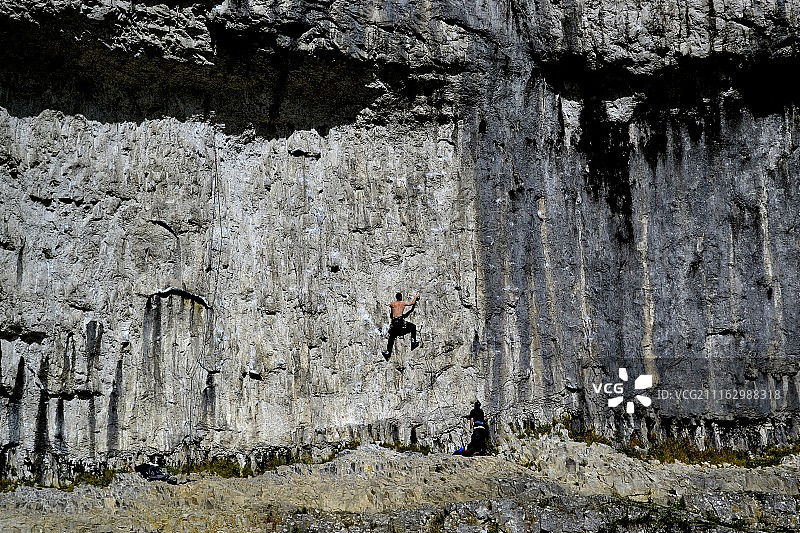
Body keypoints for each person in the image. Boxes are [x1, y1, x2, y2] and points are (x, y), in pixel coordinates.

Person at [382, 292, 419, 360]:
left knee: (392, 337)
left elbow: (389, 306)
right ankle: (413, 342)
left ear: (396, 297)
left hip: (394, 323)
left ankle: (388, 352)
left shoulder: (393, 304)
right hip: (400, 322)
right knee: (413, 327)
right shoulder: (403, 303)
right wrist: (415, 297)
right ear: (401, 297)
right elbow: (412, 303)